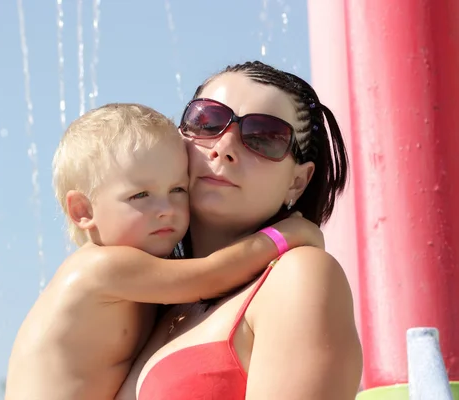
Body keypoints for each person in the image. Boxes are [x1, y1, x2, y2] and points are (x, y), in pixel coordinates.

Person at [4, 103, 323, 400]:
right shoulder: (99, 268)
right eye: (141, 195)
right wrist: (283, 236)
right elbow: (211, 275)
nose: (166, 209)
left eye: (177, 190)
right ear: (83, 210)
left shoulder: (142, 279)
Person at [116, 61, 363, 400]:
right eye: (207, 121)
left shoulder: (299, 275)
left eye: (263, 137)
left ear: (297, 182)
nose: (225, 146)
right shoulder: (152, 303)